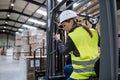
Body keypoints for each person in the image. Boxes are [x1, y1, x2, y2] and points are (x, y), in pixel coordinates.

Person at [53, 10, 100, 80]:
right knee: (66, 68)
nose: (64, 28)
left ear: (71, 22)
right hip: (95, 69)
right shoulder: (93, 31)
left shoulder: (73, 36)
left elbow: (63, 52)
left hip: (82, 73)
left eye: (64, 25)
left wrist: (58, 40)